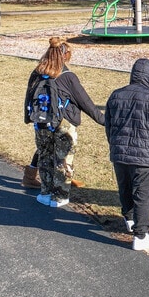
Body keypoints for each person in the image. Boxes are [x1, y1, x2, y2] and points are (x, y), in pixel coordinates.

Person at [24, 37, 104, 208]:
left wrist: (27, 117)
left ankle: (45, 193)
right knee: (63, 159)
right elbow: (85, 102)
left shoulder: (37, 73)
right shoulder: (68, 77)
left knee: (44, 156)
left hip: (41, 123)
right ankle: (59, 197)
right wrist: (103, 120)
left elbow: (28, 97)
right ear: (65, 55)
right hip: (63, 123)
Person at [105, 58, 149, 251]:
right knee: (143, 195)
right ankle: (141, 235)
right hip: (147, 157)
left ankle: (129, 219)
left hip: (120, 153)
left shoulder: (116, 95)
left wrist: (115, 145)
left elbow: (109, 126)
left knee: (125, 188)